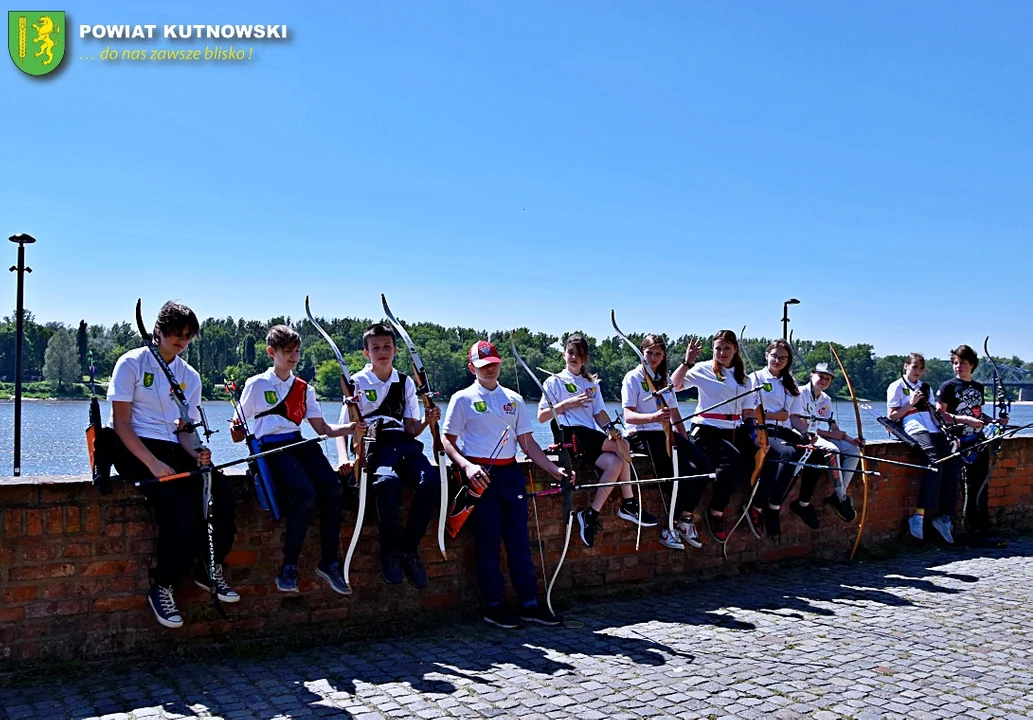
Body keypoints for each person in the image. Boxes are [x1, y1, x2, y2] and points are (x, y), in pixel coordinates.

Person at [108, 301, 238, 629]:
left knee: (222, 492)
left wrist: (197, 453)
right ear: (160, 331)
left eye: (187, 335)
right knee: (179, 511)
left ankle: (209, 569)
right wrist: (151, 463)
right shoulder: (131, 363)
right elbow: (120, 424)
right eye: (176, 333)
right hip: (135, 447)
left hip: (174, 448)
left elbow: (184, 429)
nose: (182, 340)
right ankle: (162, 586)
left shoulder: (189, 376)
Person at [442, 340, 568, 629]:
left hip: (510, 474)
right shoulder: (461, 399)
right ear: (472, 367)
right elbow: (447, 442)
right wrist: (468, 466)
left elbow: (527, 442)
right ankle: (494, 605)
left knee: (519, 541)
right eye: (484, 365)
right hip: (480, 475)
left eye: (494, 363)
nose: (490, 369)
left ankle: (529, 604)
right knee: (487, 542)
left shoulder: (514, 399)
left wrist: (553, 469)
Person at [231, 325, 357, 594]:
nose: (293, 357)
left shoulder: (304, 388)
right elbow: (236, 434)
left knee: (333, 488)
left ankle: (329, 562)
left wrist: (350, 428)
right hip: (271, 448)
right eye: (287, 352)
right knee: (305, 494)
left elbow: (322, 429)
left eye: (297, 351)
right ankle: (288, 567)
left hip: (297, 443)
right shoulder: (256, 385)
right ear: (271, 352)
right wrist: (237, 429)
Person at [340, 323, 442, 588]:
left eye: (387, 347)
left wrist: (426, 419)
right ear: (366, 352)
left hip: (404, 443)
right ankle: (390, 552)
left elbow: (411, 428)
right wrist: (344, 458)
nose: (382, 352)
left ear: (395, 350)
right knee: (386, 483)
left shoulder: (405, 382)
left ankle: (409, 549)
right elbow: (345, 428)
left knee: (430, 481)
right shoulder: (357, 382)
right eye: (376, 348)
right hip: (377, 445)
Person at [538, 334, 658, 548]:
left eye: (580, 354)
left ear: (585, 359)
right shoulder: (554, 381)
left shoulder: (591, 384)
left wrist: (612, 429)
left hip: (588, 437)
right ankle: (629, 503)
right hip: (568, 433)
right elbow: (542, 416)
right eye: (571, 352)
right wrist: (568, 403)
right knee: (623, 447)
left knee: (616, 462)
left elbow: (599, 414)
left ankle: (590, 514)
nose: (574, 357)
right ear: (564, 354)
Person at [620, 334, 715, 550]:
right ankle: (669, 528)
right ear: (642, 353)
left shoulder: (664, 378)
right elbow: (628, 416)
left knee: (706, 467)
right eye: (649, 353)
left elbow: (674, 413)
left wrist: (685, 437)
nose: (653, 357)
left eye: (658, 354)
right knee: (682, 473)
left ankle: (685, 519)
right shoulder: (632, 378)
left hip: (666, 432)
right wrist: (652, 418)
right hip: (642, 435)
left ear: (664, 356)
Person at [670, 330, 756, 544]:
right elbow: (673, 386)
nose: (722, 352)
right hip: (707, 429)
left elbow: (748, 410)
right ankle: (716, 511)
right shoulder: (703, 369)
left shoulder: (743, 378)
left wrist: (752, 428)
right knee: (732, 462)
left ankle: (758, 507)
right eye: (718, 348)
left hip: (733, 429)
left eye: (727, 348)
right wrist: (687, 362)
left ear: (735, 349)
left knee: (758, 458)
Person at [936, 344, 1007, 548]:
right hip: (957, 443)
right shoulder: (948, 386)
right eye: (956, 363)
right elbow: (941, 414)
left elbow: (977, 413)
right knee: (955, 486)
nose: (958, 367)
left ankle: (981, 529)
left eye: (963, 363)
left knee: (980, 487)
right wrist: (965, 421)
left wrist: (993, 421)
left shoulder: (978, 387)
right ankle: (958, 528)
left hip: (978, 442)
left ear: (972, 365)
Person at [741, 339, 812, 539]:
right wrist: (775, 416)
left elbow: (794, 416)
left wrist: (805, 433)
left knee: (813, 455)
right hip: (764, 430)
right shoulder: (755, 379)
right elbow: (749, 411)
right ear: (767, 355)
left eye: (783, 358)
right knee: (787, 453)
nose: (778, 360)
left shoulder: (791, 383)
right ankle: (763, 505)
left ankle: (799, 503)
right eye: (775, 356)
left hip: (785, 431)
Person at [886, 353, 960, 543]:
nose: (917, 371)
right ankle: (918, 515)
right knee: (934, 463)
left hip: (932, 426)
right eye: (914, 367)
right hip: (913, 426)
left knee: (952, 465)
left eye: (920, 368)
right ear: (906, 366)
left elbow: (934, 412)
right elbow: (892, 417)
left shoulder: (926, 387)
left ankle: (944, 517)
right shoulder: (896, 387)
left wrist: (949, 433)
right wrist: (911, 403)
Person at [792, 362, 862, 527]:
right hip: (802, 435)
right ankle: (841, 497)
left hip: (818, 435)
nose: (823, 380)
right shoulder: (799, 393)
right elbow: (804, 425)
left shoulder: (826, 399)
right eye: (820, 376)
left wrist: (851, 439)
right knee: (833, 450)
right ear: (812, 375)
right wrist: (835, 435)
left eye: (828, 378)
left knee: (854, 450)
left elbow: (833, 426)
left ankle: (839, 494)